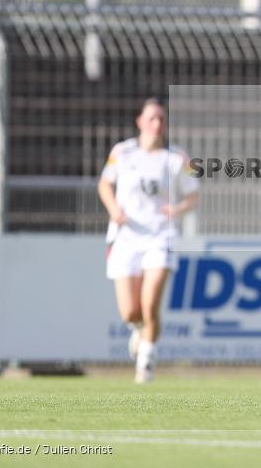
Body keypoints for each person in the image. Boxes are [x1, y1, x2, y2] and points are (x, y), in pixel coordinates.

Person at [98, 98, 199, 383]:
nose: (157, 124)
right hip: (126, 236)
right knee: (131, 311)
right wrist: (114, 210)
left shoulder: (178, 158)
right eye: (152, 118)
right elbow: (105, 183)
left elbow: (193, 195)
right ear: (140, 122)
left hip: (160, 235)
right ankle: (138, 330)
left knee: (150, 302)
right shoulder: (122, 152)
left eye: (162, 120)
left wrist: (177, 208)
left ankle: (146, 362)